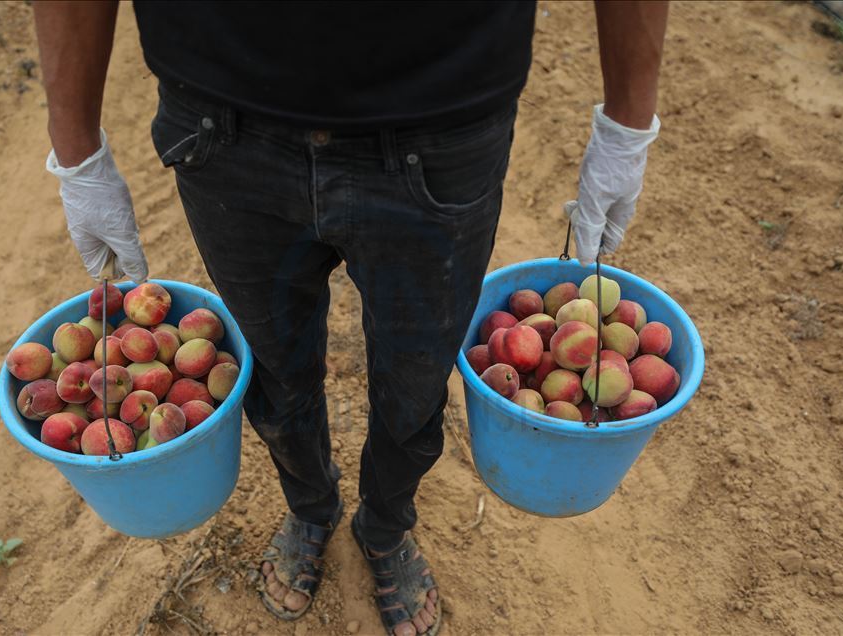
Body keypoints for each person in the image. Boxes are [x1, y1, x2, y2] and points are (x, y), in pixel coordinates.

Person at [33, 2, 668, 634]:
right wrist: (77, 153)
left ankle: (386, 526)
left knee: (417, 378)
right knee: (272, 369)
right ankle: (311, 507)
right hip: (222, 127)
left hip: (442, 122)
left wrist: (627, 125)